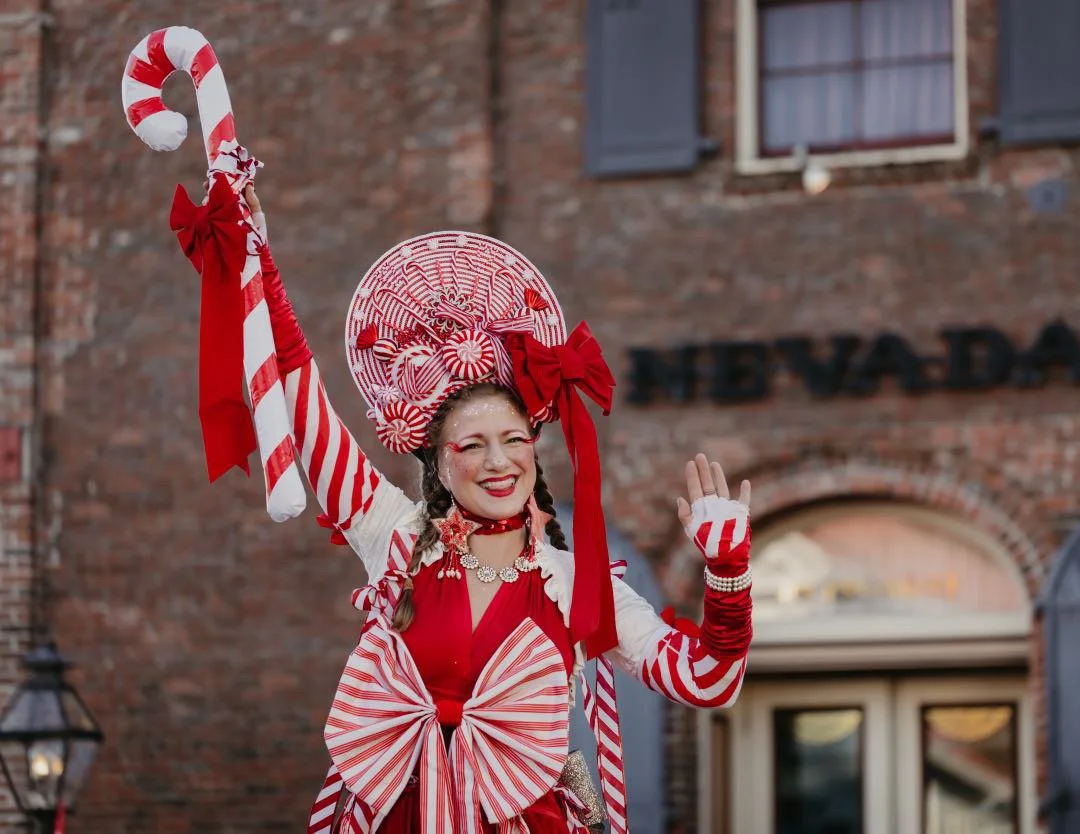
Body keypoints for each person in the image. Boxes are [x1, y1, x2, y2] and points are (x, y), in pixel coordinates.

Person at [242, 185, 754, 834]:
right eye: (473, 445)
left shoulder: (575, 581)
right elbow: (299, 396)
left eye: (514, 441)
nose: (498, 462)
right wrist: (257, 264)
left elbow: (710, 682)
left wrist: (727, 572)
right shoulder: (394, 537)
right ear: (439, 460)